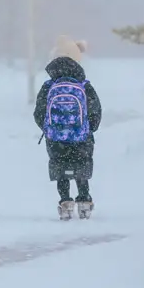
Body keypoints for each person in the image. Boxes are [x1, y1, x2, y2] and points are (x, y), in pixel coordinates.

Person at [33, 35, 102, 219]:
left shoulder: (49, 86)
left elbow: (38, 113)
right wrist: (89, 129)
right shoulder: (84, 85)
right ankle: (84, 201)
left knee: (60, 167)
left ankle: (65, 202)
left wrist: (49, 129)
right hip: (81, 136)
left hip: (56, 138)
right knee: (81, 166)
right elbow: (96, 110)